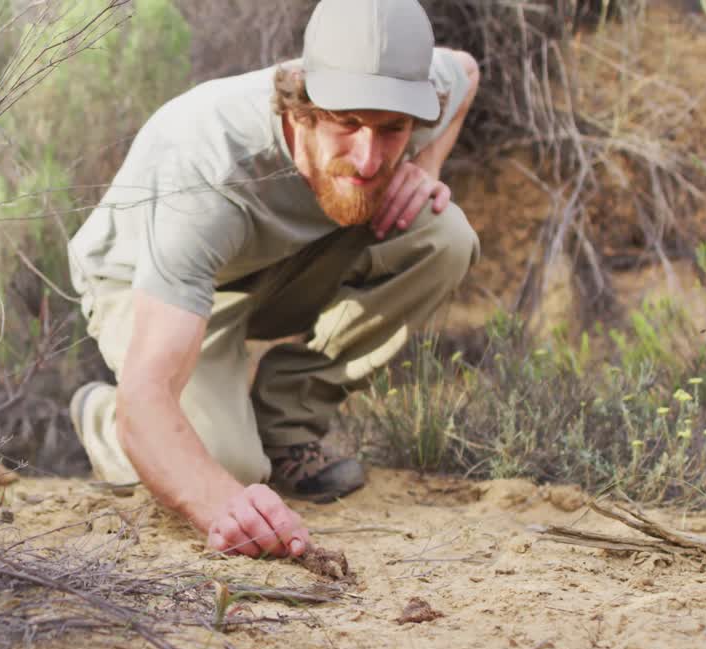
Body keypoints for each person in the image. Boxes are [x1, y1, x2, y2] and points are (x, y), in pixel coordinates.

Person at [66, 0, 480, 559]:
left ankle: (286, 424)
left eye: (393, 130)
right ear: (304, 104)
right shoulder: (209, 170)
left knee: (444, 235)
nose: (367, 158)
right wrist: (219, 503)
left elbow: (466, 70)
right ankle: (101, 418)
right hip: (145, 279)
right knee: (225, 467)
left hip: (278, 261)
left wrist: (423, 171)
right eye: (348, 122)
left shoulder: (415, 85)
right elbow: (151, 395)